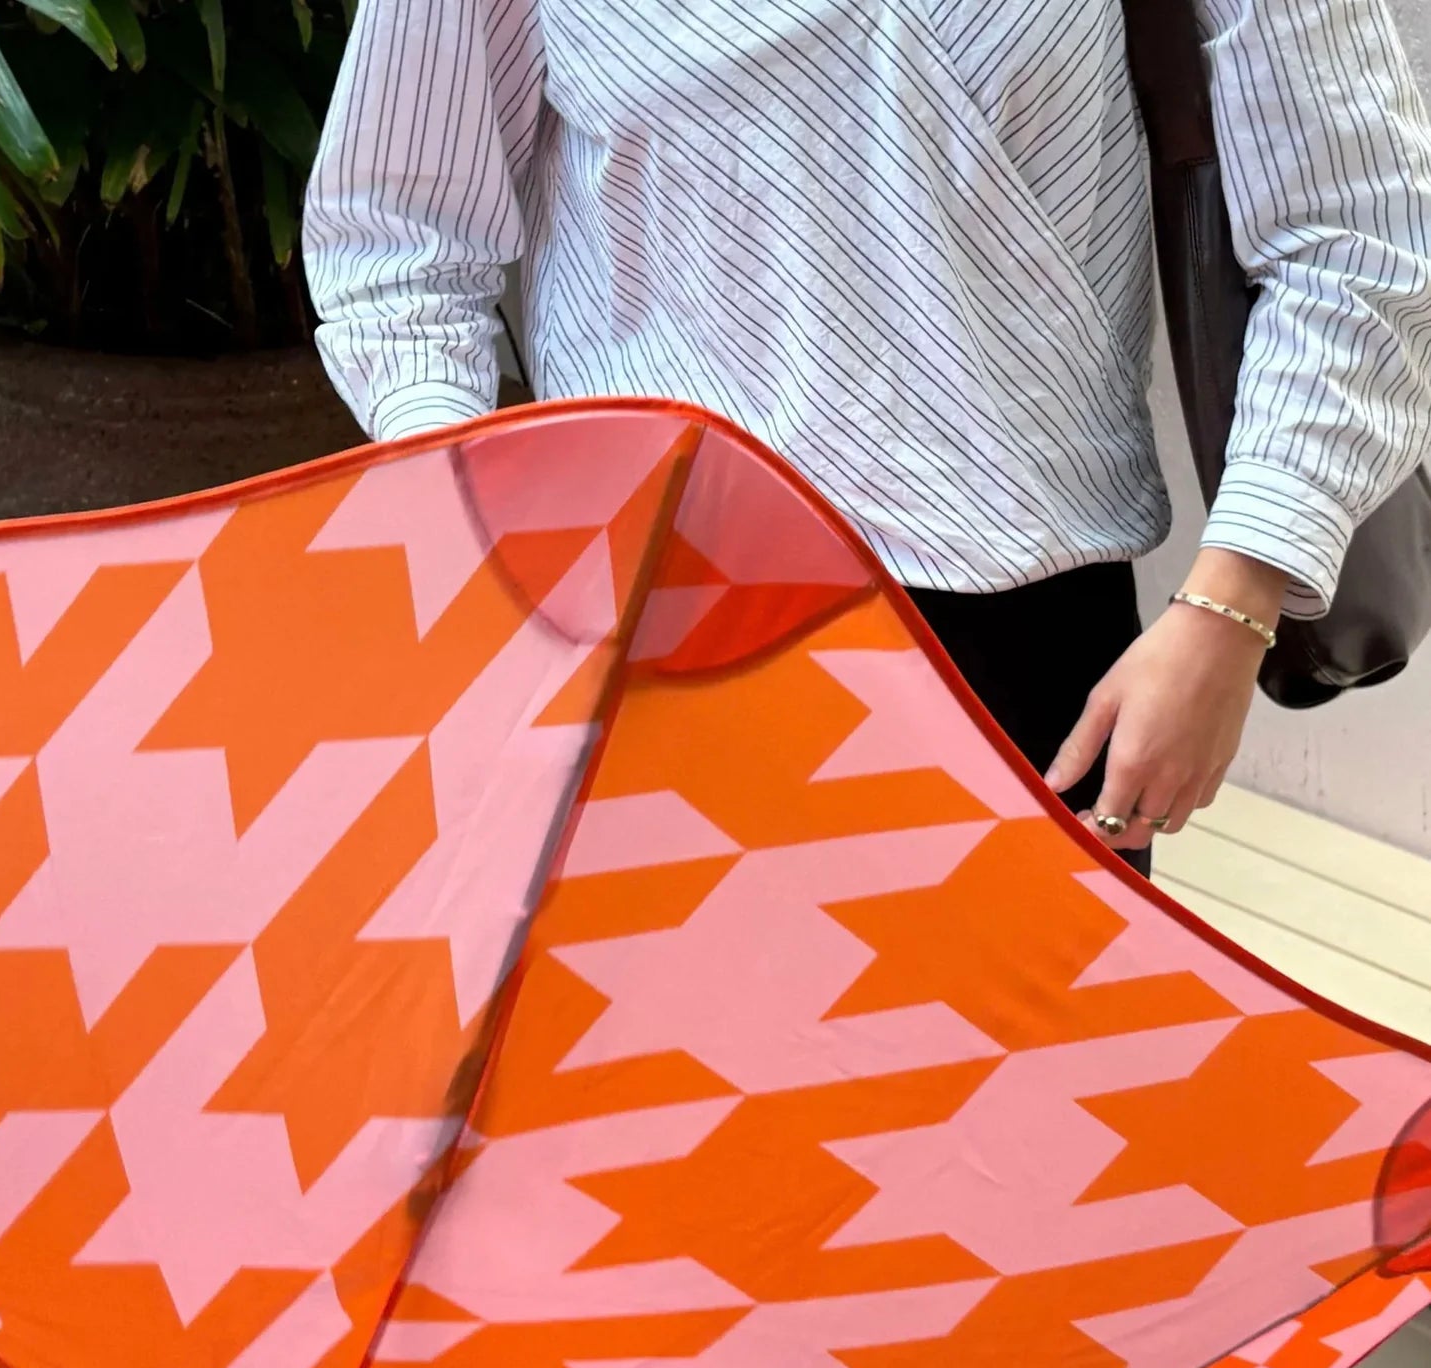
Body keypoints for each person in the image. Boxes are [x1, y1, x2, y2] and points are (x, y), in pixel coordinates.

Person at [303, 0, 1431, 873]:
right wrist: (471, 538)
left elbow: (1361, 235)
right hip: (629, 627)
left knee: (1028, 1141)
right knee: (653, 1147)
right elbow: (398, 229)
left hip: (1014, 643)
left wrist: (1229, 611)